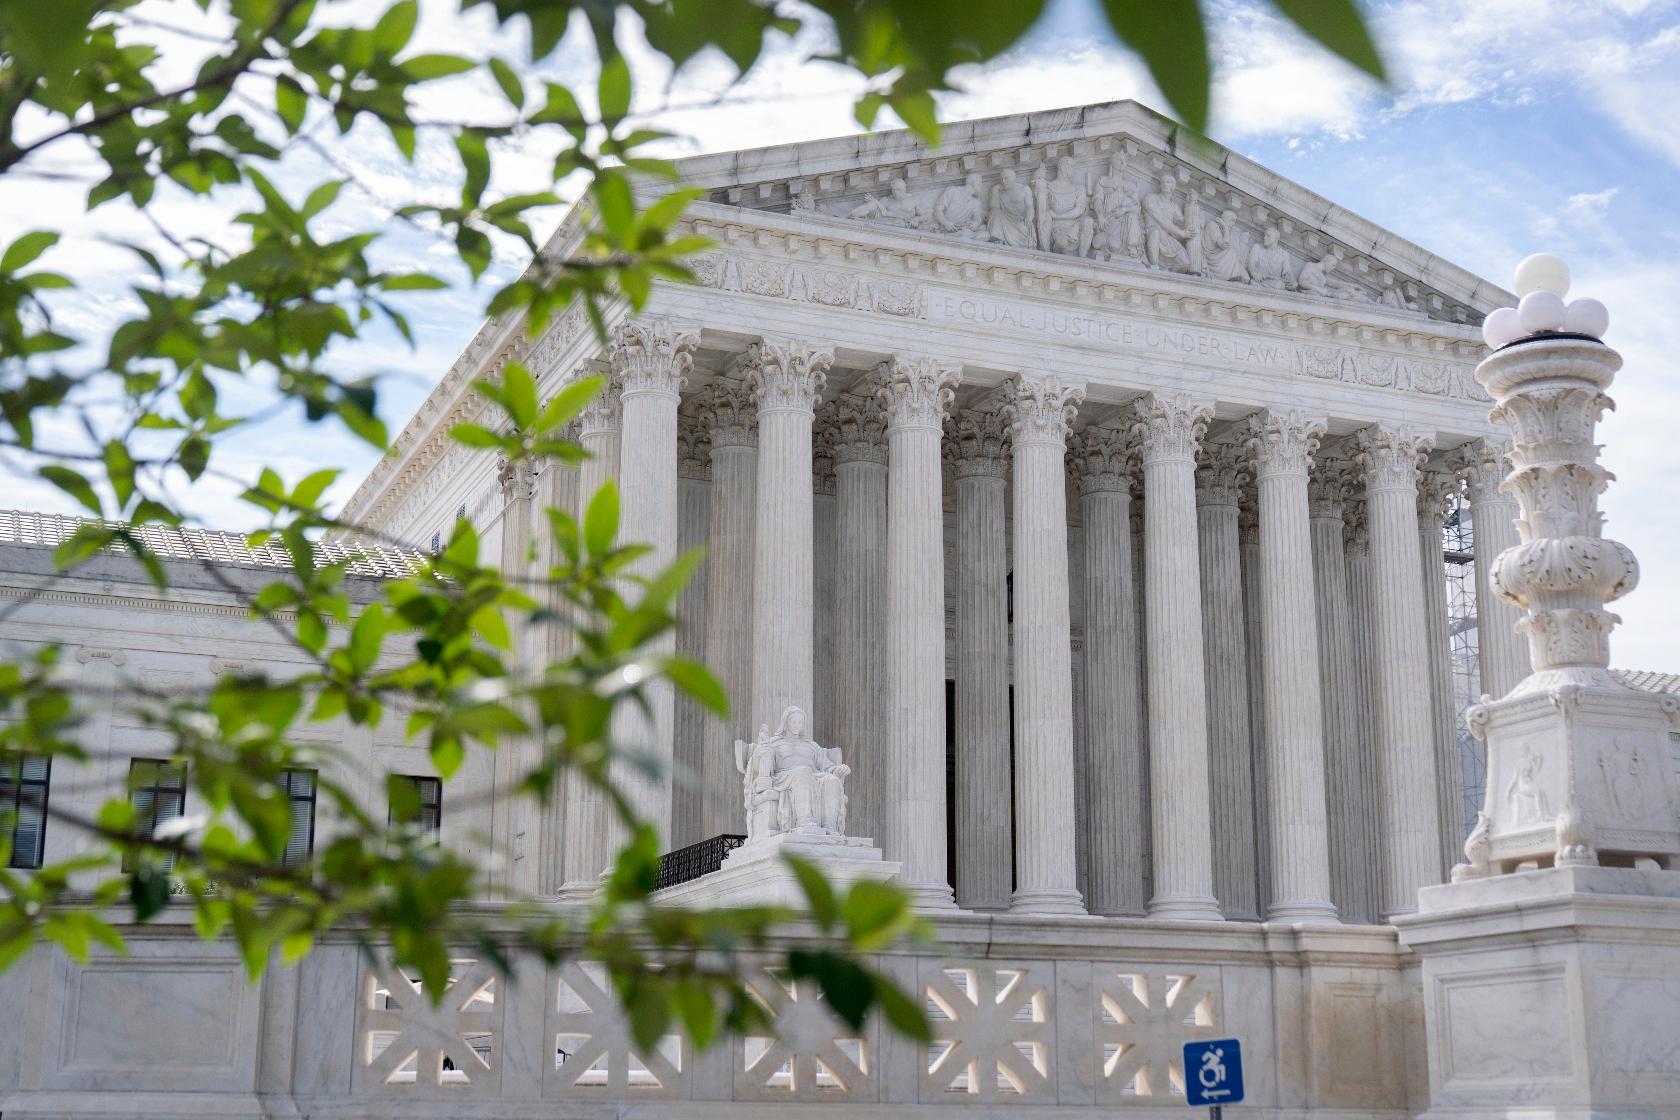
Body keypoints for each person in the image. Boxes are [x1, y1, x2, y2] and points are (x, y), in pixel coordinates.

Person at [734, 705, 850, 839]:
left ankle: (830, 827)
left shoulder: (811, 745)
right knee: (803, 772)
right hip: (783, 777)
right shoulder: (774, 743)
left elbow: (827, 766)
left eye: (799, 722)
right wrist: (762, 749)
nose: (796, 725)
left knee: (832, 780)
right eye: (793, 721)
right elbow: (757, 765)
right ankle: (803, 819)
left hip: (814, 776)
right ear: (786, 722)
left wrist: (838, 770)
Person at [1140, 172, 1201, 273]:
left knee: (1185, 263)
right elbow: (1161, 219)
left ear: (1173, 187)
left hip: (1167, 240)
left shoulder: (1174, 207)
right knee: (1155, 232)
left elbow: (1183, 224)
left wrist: (1191, 203)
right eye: (1163, 182)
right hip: (1151, 235)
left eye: (1168, 182)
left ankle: (1168, 277)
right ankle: (1154, 269)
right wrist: (1181, 233)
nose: (1164, 184)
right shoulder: (1150, 198)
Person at [1033, 155, 1094, 256]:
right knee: (1062, 242)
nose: (1073, 170)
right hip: (1057, 227)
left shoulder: (1079, 189)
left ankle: (1083, 260)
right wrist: (1037, 177)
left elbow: (1079, 209)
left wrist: (1058, 216)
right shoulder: (1049, 187)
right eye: (1070, 166)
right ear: (1062, 167)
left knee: (1088, 222)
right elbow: (1040, 205)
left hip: (1076, 224)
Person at [1089, 156, 1144, 262]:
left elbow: (1137, 209)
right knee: (1107, 244)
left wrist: (1124, 210)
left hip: (1125, 221)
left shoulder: (1131, 185)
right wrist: (1100, 216)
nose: (1123, 162)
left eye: (1125, 160)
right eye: (1119, 159)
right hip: (1107, 220)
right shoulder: (1103, 181)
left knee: (1132, 217)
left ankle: (1131, 247)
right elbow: (1097, 200)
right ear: (1112, 162)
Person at [987, 167, 1036, 248]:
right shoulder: (1000, 192)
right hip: (1005, 221)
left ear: (1013, 178)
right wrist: (994, 190)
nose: (1003, 181)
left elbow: (1030, 207)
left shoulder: (1024, 189)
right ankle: (997, 239)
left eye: (1006, 178)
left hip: (1020, 222)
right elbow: (993, 208)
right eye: (1001, 179)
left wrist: (1029, 218)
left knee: (1024, 228)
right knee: (995, 212)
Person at [931, 172, 987, 239]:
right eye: (980, 182)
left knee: (985, 235)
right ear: (973, 183)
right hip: (946, 229)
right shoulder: (952, 191)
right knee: (965, 235)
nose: (981, 185)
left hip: (963, 229)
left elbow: (977, 216)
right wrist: (946, 223)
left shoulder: (976, 201)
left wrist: (976, 223)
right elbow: (937, 210)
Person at [847, 177, 922, 227]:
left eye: (898, 190)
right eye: (893, 190)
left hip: (901, 223)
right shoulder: (886, 200)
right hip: (886, 220)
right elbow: (879, 211)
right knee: (872, 203)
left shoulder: (914, 199)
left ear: (905, 188)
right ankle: (847, 216)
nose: (895, 193)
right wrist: (873, 200)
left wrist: (916, 219)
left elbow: (925, 215)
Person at [1246, 224, 1294, 290]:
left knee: (1279, 285)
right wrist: (1255, 274)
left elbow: (1287, 272)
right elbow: (1251, 265)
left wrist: (1290, 279)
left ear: (1275, 239)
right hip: (1259, 281)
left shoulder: (1284, 254)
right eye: (1265, 235)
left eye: (1268, 236)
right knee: (1253, 283)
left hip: (1275, 282)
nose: (1264, 238)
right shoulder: (1257, 247)